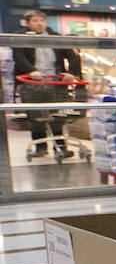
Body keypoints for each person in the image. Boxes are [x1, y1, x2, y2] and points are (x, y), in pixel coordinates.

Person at [13, 11, 81, 158]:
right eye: (35, 21)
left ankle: (61, 147)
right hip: (31, 83)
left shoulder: (55, 37)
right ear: (28, 23)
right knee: (35, 116)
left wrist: (71, 73)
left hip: (55, 83)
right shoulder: (21, 37)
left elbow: (73, 57)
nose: (39, 23)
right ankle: (40, 147)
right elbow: (18, 57)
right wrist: (31, 71)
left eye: (42, 21)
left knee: (57, 115)